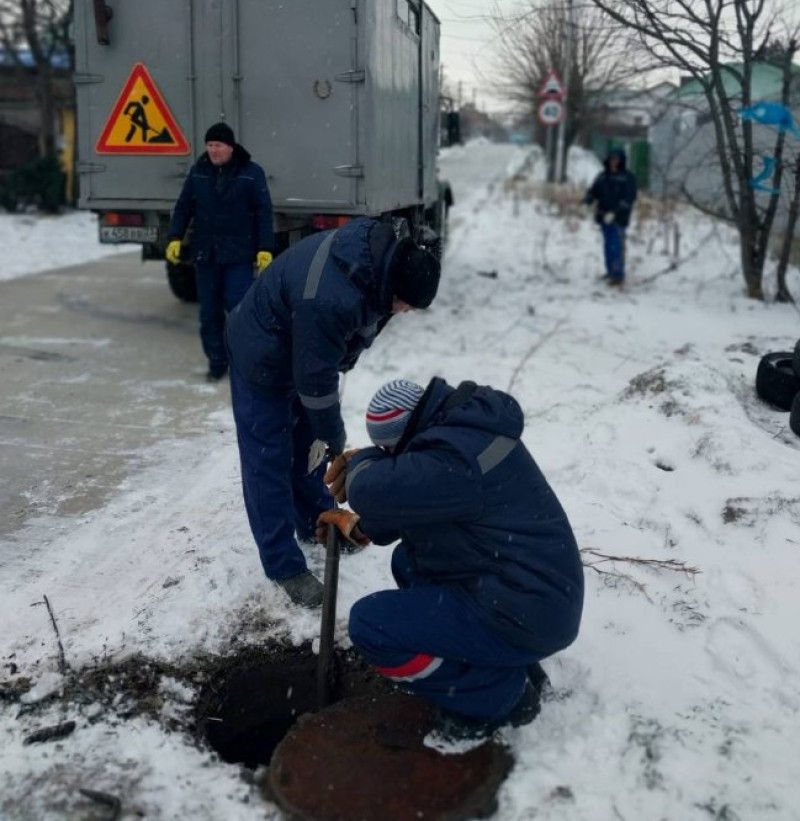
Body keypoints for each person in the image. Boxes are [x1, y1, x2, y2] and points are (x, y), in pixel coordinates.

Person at [319, 376, 584, 742]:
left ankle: (499, 695)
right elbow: (432, 508)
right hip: (531, 594)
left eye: (391, 453)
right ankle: (509, 661)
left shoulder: (455, 458)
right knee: (409, 562)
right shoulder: (460, 432)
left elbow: (369, 489)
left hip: (526, 609)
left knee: (371, 626)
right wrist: (364, 528)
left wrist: (364, 461)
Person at [225, 219, 441, 608]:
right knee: (267, 460)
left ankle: (315, 522)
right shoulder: (330, 297)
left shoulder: (380, 268)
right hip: (262, 355)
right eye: (405, 304)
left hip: (301, 344)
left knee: (308, 444)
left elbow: (349, 340)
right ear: (395, 286)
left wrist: (327, 414)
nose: (405, 312)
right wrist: (334, 437)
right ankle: (282, 564)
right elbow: (314, 379)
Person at [165, 122, 274, 381]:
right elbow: (183, 208)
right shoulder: (199, 172)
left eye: (218, 145)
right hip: (207, 255)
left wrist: (265, 248)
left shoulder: (251, 173)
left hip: (238, 255)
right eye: (210, 145)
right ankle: (216, 361)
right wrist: (174, 237)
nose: (213, 150)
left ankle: (244, 361)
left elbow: (263, 212)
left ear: (231, 147)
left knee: (239, 311)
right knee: (209, 313)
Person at [583, 147, 638, 287]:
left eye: (617, 159)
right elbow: (594, 191)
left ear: (621, 161)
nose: (614, 162)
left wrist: (615, 212)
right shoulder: (602, 176)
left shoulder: (628, 178)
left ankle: (618, 275)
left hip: (619, 219)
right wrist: (587, 200)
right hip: (603, 217)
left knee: (616, 246)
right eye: (612, 159)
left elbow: (629, 198)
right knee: (607, 246)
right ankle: (610, 271)